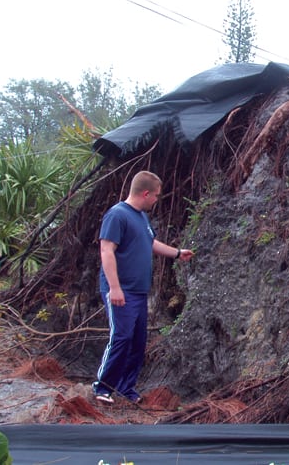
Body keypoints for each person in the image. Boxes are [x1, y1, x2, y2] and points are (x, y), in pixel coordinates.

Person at [92, 171, 194, 404]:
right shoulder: (117, 215)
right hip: (121, 290)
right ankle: (102, 388)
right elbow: (106, 250)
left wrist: (178, 253)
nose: (157, 200)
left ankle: (126, 388)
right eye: (156, 196)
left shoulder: (141, 217)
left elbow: (150, 243)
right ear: (145, 193)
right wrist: (115, 288)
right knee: (121, 337)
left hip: (138, 291)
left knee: (137, 342)